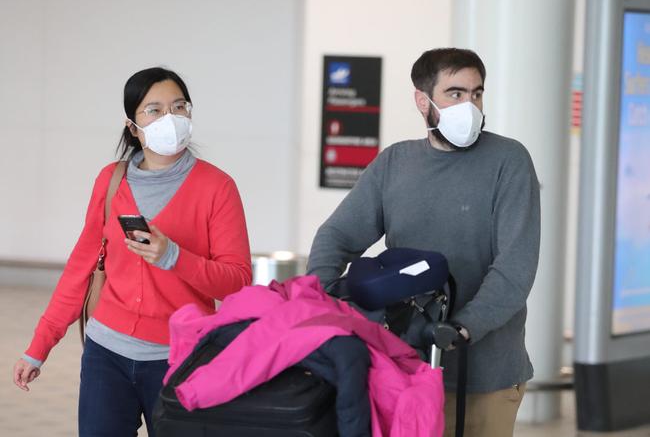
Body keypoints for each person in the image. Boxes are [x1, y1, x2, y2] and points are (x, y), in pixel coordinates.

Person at [307, 48, 540, 437]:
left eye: (476, 93)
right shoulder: (395, 163)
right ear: (422, 100)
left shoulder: (508, 161)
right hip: (404, 371)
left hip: (484, 377)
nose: (469, 105)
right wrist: (318, 293)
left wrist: (462, 327)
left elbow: (515, 268)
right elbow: (338, 235)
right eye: (455, 93)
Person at [13, 67, 253, 436]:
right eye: (154, 110)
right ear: (132, 126)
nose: (169, 118)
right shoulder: (111, 181)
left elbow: (237, 282)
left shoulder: (217, 187)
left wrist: (173, 256)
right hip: (106, 353)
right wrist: (39, 346)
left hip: (179, 359)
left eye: (178, 107)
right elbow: (80, 268)